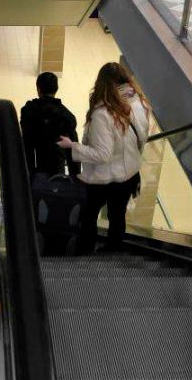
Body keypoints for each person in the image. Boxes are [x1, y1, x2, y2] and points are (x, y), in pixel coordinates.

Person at [58, 62, 150, 254]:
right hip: (129, 174)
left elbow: (102, 154)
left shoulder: (103, 114)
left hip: (105, 179)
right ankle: (114, 250)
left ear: (101, 83)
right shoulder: (138, 101)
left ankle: (85, 251)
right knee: (118, 217)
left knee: (89, 216)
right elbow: (143, 136)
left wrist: (72, 146)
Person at [21, 71, 79, 177]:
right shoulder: (67, 116)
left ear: (38, 89)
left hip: (33, 170)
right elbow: (73, 149)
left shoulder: (28, 111)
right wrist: (75, 177)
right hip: (57, 171)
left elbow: (26, 142)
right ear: (56, 89)